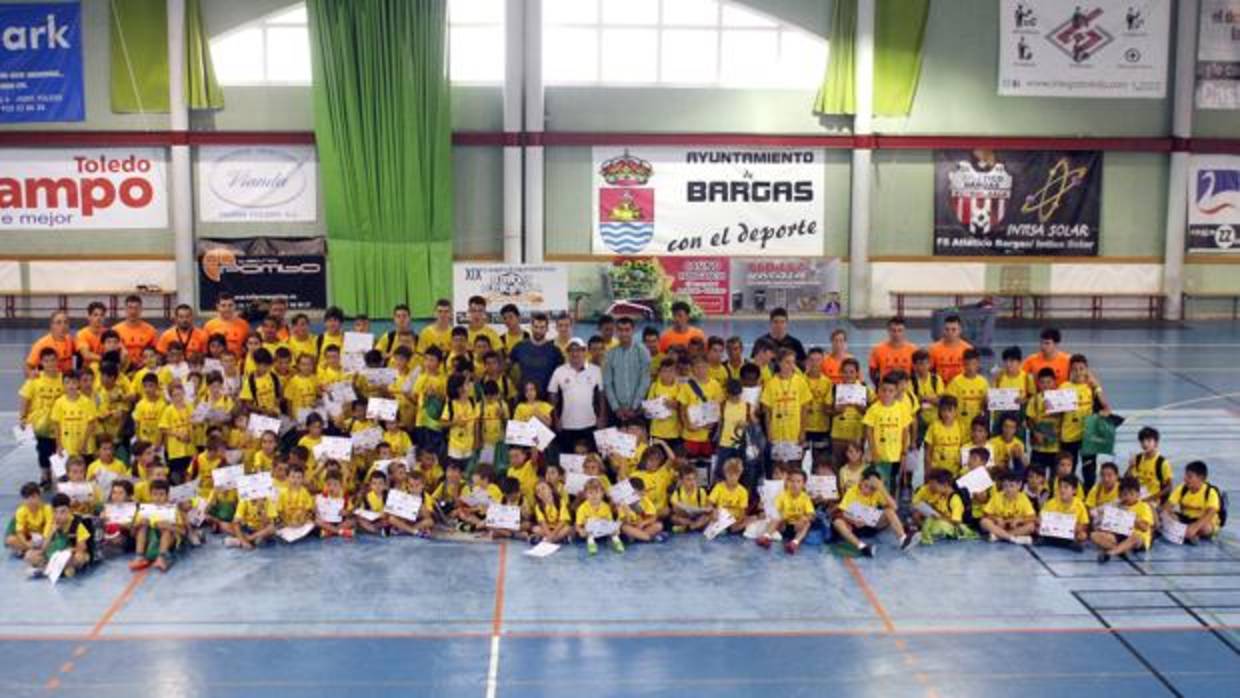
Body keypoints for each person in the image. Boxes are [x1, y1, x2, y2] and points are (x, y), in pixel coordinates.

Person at [832, 467, 914, 556]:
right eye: (866, 486)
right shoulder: (852, 491)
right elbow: (843, 512)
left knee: (889, 511)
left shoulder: (877, 491)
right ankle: (863, 547)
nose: (868, 491)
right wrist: (853, 521)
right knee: (838, 522)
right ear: (861, 481)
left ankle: (903, 539)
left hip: (872, 525)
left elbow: (895, 507)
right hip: (855, 525)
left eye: (872, 488)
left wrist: (881, 488)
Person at [548, 339, 604, 453]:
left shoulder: (596, 370)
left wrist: (602, 417)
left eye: (579, 350)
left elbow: (601, 395)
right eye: (571, 350)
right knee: (568, 460)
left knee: (591, 458)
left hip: (590, 423)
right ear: (567, 353)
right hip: (567, 425)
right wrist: (556, 419)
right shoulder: (559, 371)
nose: (575, 353)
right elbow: (552, 395)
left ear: (585, 351)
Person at [862, 375, 911, 493]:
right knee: (879, 484)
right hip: (879, 455)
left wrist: (904, 452)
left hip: (896, 455)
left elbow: (905, 431)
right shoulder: (874, 409)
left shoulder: (901, 408)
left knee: (893, 483)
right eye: (884, 390)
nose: (887, 394)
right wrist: (873, 451)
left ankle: (892, 506)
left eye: (891, 391)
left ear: (896, 392)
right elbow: (869, 431)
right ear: (878, 391)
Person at [762, 349, 812, 463]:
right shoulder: (771, 383)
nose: (790, 366)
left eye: (792, 362)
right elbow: (767, 411)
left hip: (794, 432)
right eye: (787, 362)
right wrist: (769, 432)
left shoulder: (800, 382)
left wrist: (803, 431)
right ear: (779, 363)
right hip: (777, 433)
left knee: (794, 467)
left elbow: (804, 409)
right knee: (778, 468)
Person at [1093, 476, 1154, 563]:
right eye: (1125, 494)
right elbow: (1105, 521)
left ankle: (1110, 553)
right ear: (1120, 495)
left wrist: (1130, 517)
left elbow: (1145, 528)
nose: (1128, 497)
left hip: (1138, 538)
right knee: (1094, 535)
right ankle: (1121, 549)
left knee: (1135, 537)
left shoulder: (1144, 506)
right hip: (1121, 535)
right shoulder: (1117, 505)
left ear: (1138, 494)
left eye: (1131, 494)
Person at [603, 316, 651, 424]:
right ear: (616, 332)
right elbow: (608, 383)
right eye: (620, 330)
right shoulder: (611, 354)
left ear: (633, 331)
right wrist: (616, 408)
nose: (624, 334)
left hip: (638, 409)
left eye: (627, 330)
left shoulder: (642, 351)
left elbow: (645, 380)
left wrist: (634, 407)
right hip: (616, 411)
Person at [757, 469, 815, 554]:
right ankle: (766, 537)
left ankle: (795, 543)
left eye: (798, 482)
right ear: (787, 482)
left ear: (803, 484)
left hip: (796, 527)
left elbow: (811, 514)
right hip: (783, 525)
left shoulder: (805, 498)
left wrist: (804, 519)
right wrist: (764, 509)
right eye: (791, 481)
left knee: (807, 523)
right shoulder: (782, 495)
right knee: (776, 518)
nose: (794, 484)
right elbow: (774, 509)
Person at [1163, 461, 1222, 544]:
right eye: (1185, 475)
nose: (1185, 479)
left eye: (1189, 476)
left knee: (1206, 528)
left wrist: (1194, 527)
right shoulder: (1182, 488)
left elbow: (1210, 513)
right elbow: (1167, 506)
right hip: (1186, 519)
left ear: (1201, 478)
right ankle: (1189, 535)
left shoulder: (1210, 492)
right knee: (1165, 515)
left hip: (1203, 520)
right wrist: (1167, 516)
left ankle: (1191, 534)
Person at [911, 468, 974, 544]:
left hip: (950, 526)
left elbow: (956, 522)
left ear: (945, 485)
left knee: (938, 525)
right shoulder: (940, 494)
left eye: (934, 485)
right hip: (939, 519)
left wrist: (940, 517)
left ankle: (929, 533)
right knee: (919, 515)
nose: (931, 488)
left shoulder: (955, 500)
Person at [510, 312, 564, 397]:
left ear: (547, 329)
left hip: (546, 399)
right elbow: (507, 368)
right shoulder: (520, 347)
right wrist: (516, 386)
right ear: (531, 327)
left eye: (542, 327)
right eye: (536, 327)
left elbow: (560, 377)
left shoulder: (555, 351)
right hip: (524, 398)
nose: (538, 330)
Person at [980, 470, 1037, 545]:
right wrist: (996, 519)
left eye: (1011, 486)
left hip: (1014, 527)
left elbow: (1033, 517)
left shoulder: (1023, 497)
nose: (1008, 489)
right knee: (984, 522)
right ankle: (1012, 538)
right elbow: (985, 514)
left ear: (1019, 485)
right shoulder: (997, 496)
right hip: (999, 526)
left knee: (1031, 526)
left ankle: (999, 536)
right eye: (1005, 486)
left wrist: (1020, 520)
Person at [1036, 474, 1089, 551]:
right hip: (1053, 532)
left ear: (1074, 490)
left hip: (1070, 534)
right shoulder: (1052, 502)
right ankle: (1058, 542)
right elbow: (1040, 519)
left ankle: (1066, 543)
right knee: (1037, 529)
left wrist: (1072, 528)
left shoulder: (1079, 504)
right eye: (1060, 487)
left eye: (1066, 487)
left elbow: (1084, 524)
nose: (1062, 490)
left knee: (1083, 535)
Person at [1126, 426, 1173, 507]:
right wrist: (1130, 467)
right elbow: (1127, 480)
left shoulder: (1162, 463)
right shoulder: (1138, 458)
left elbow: (1169, 487)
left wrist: (1150, 498)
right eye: (1142, 441)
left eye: (1148, 441)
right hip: (1136, 496)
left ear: (1156, 443)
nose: (1145, 444)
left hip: (1153, 499)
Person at [575, 478, 623, 555]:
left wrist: (614, 528)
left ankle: (617, 542)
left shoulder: (606, 507)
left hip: (602, 529)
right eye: (590, 493)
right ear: (585, 495)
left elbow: (609, 521)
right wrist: (581, 530)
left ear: (602, 493)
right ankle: (591, 544)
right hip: (590, 531)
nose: (594, 496)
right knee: (589, 529)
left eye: (597, 492)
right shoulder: (582, 508)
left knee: (614, 530)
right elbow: (578, 525)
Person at [868, 317, 917, 385]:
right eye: (893, 330)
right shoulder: (878, 350)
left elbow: (915, 372)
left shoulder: (913, 350)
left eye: (900, 330)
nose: (896, 334)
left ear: (904, 331)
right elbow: (872, 372)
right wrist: (879, 386)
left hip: (906, 389)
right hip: (886, 391)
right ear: (888, 331)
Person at [927, 314, 973, 384]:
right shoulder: (933, 349)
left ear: (960, 330)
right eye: (947, 329)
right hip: (941, 389)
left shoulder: (968, 349)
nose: (950, 332)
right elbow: (928, 372)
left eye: (953, 330)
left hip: (961, 389)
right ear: (943, 330)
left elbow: (972, 373)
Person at [75, 302, 109, 368]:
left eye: (102, 315)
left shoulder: (108, 333)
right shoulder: (82, 334)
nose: (99, 318)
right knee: (94, 366)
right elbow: (86, 355)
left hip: (105, 371)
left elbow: (121, 350)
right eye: (95, 315)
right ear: (89, 317)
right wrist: (105, 359)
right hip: (87, 372)